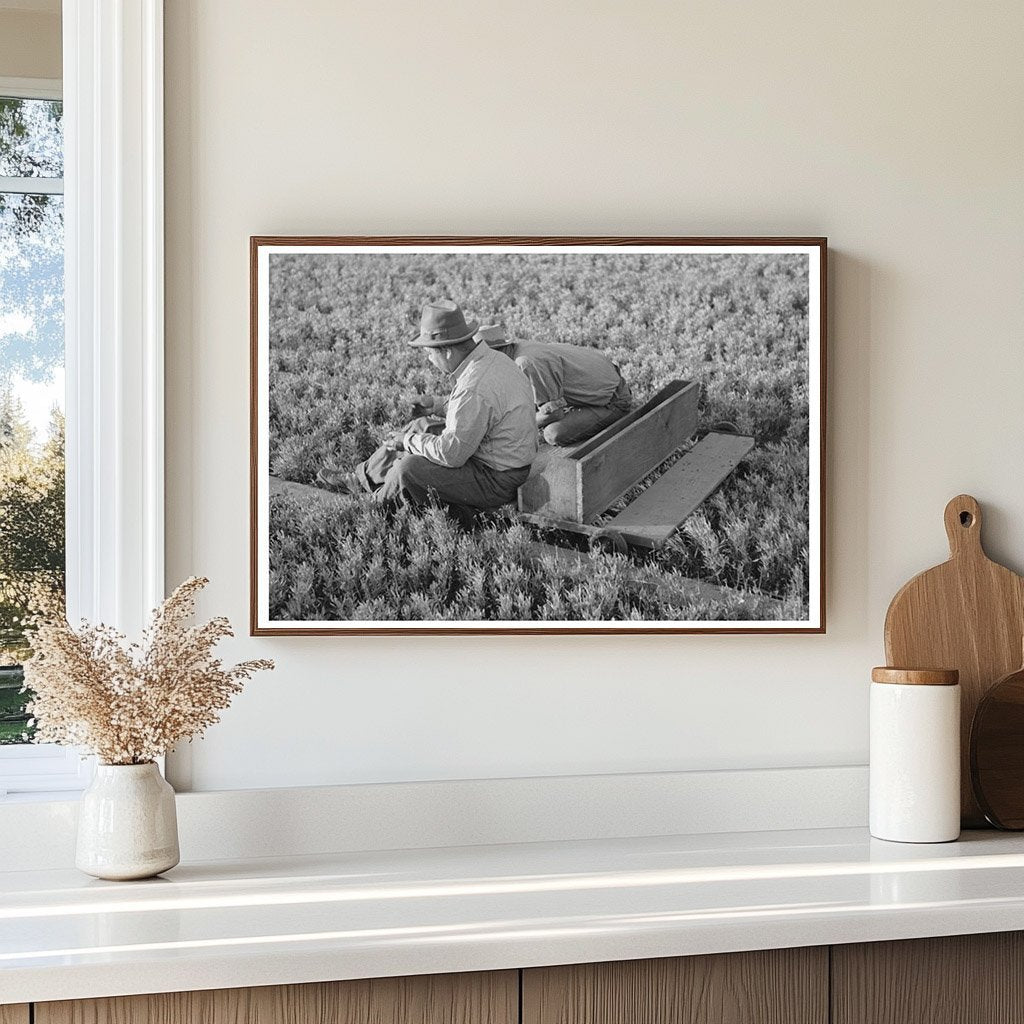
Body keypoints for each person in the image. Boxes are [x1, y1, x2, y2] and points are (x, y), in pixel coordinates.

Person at [317, 301, 537, 513]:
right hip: (502, 459)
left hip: (496, 479)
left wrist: (407, 442)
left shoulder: (473, 387)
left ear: (448, 351)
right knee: (422, 425)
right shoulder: (492, 360)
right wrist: (436, 405)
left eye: (431, 353)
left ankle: (373, 508)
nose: (430, 360)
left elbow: (452, 455)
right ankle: (360, 480)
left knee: (409, 469)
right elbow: (484, 411)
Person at [476, 325, 632, 446]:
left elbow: (554, 414)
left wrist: (507, 428)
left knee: (552, 433)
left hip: (614, 400)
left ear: (496, 352)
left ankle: (617, 420)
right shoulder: (520, 349)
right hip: (603, 384)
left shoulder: (526, 363)